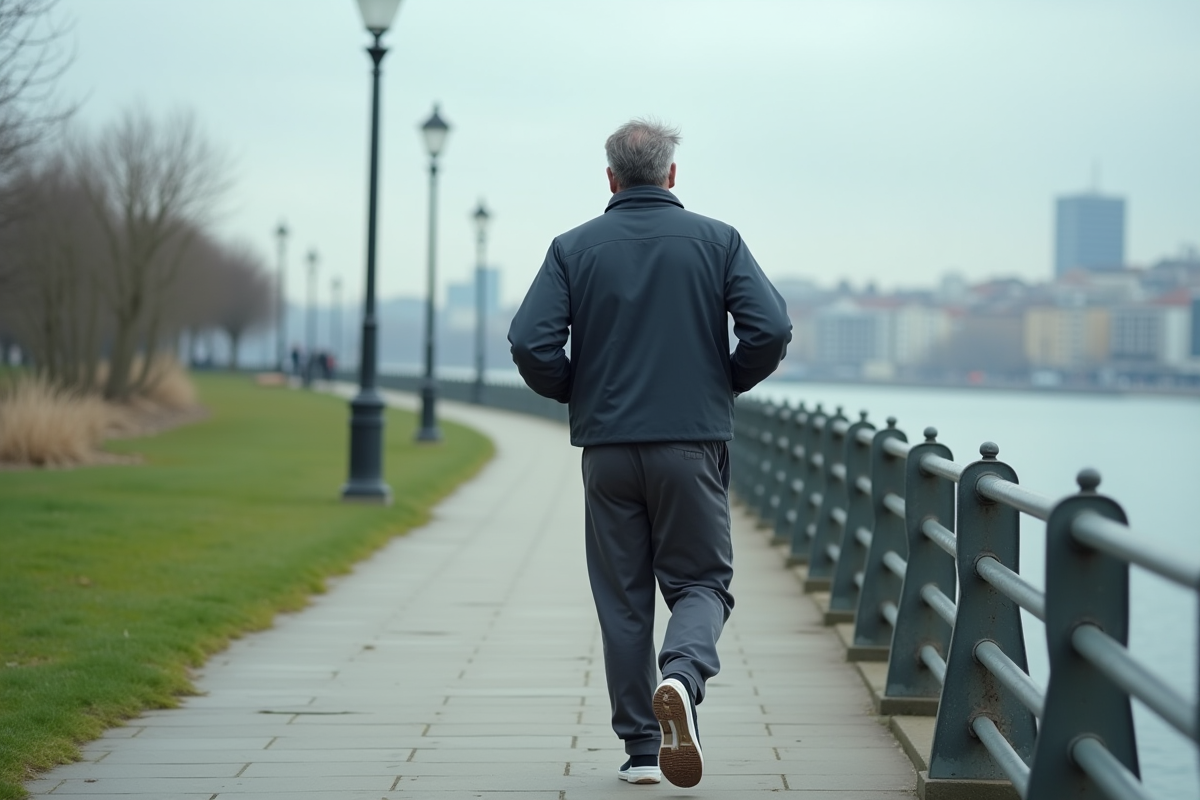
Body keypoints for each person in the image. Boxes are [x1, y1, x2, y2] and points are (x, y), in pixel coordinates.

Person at [508, 119, 792, 788]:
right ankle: (682, 678)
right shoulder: (717, 242)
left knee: (623, 599)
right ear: (671, 176)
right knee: (700, 583)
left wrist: (580, 391)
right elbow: (771, 328)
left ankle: (641, 750)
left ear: (610, 178)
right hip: (691, 444)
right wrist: (726, 380)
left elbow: (529, 344)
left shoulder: (573, 248)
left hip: (607, 450)